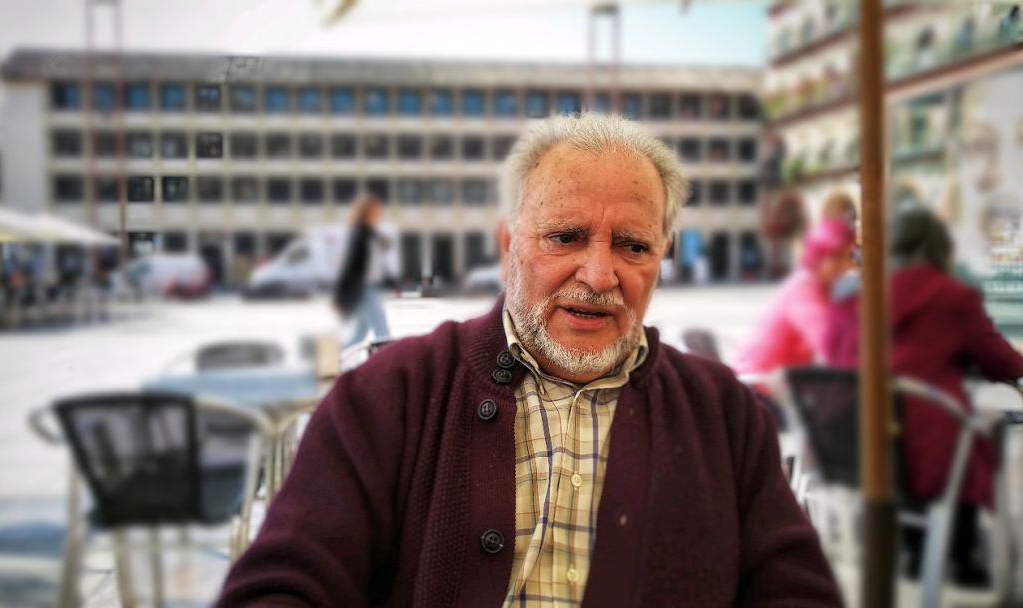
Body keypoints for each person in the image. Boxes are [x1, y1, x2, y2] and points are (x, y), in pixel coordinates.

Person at [217, 114, 841, 607]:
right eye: (565, 237)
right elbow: (282, 586)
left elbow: (795, 591)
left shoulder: (724, 413)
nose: (599, 275)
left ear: (662, 257)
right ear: (507, 245)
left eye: (633, 246)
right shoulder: (387, 398)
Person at [825, 206, 1023, 585]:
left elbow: (839, 359)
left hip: (859, 440)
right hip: (933, 449)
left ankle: (920, 550)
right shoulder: (952, 297)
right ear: (939, 247)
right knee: (971, 433)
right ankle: (961, 555)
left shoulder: (862, 297)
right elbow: (1004, 362)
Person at [732, 218, 856, 376]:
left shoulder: (818, 286)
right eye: (836, 256)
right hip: (759, 385)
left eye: (848, 256)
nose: (845, 265)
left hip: (778, 383)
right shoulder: (804, 289)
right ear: (817, 255)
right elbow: (832, 346)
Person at [334, 196, 392, 349]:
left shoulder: (369, 234)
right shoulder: (360, 235)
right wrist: (340, 296)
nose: (379, 214)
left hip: (369, 287)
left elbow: (377, 260)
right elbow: (350, 265)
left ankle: (334, 359)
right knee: (383, 332)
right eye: (375, 212)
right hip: (363, 289)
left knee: (360, 334)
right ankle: (389, 368)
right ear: (366, 213)